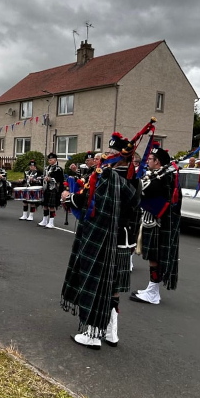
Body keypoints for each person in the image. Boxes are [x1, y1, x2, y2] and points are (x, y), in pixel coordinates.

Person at [60, 135, 140, 349]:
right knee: (112, 285)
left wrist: (70, 198)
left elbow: (94, 205)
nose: (106, 156)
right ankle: (111, 332)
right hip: (124, 238)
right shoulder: (135, 178)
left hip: (103, 237)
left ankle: (92, 333)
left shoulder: (108, 177)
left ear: (118, 156)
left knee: (95, 283)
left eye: (111, 153)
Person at [132, 145, 181, 306]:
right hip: (153, 221)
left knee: (155, 258)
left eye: (151, 159)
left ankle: (153, 292)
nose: (148, 161)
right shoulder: (159, 175)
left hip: (158, 223)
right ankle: (152, 289)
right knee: (153, 257)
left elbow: (145, 192)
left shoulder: (165, 177)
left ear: (158, 161)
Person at [39, 152, 65, 228]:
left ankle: (51, 222)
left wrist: (51, 179)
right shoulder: (47, 168)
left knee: (51, 206)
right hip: (46, 188)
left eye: (51, 159)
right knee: (45, 205)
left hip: (54, 189)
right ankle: (44, 220)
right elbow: (44, 176)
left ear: (55, 160)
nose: (49, 161)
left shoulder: (58, 169)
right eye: (49, 159)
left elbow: (60, 180)